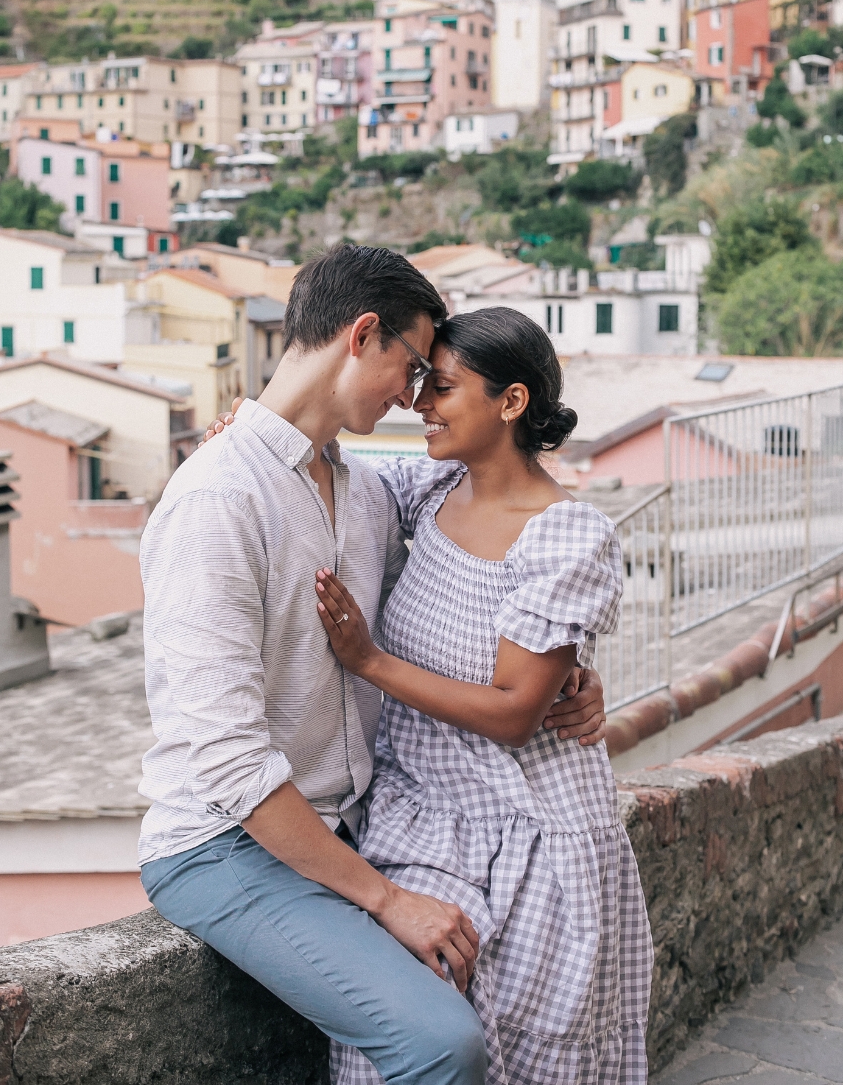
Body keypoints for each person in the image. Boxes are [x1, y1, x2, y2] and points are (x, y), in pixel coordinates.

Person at [137, 245, 608, 1085]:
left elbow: (482, 571)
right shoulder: (217, 500)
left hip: (347, 821)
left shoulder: (365, 491)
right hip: (225, 845)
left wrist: (568, 676)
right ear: (362, 335)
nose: (415, 394)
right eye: (412, 365)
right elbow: (228, 764)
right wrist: (387, 899)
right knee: (439, 1041)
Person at [312, 308, 654, 1085]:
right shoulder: (429, 488)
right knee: (389, 1046)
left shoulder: (565, 536)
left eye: (443, 386)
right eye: (422, 381)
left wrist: (367, 660)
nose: (421, 402)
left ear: (510, 402)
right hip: (419, 816)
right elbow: (319, 468)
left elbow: (512, 713)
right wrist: (248, 426)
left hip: (531, 836)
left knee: (528, 1058)